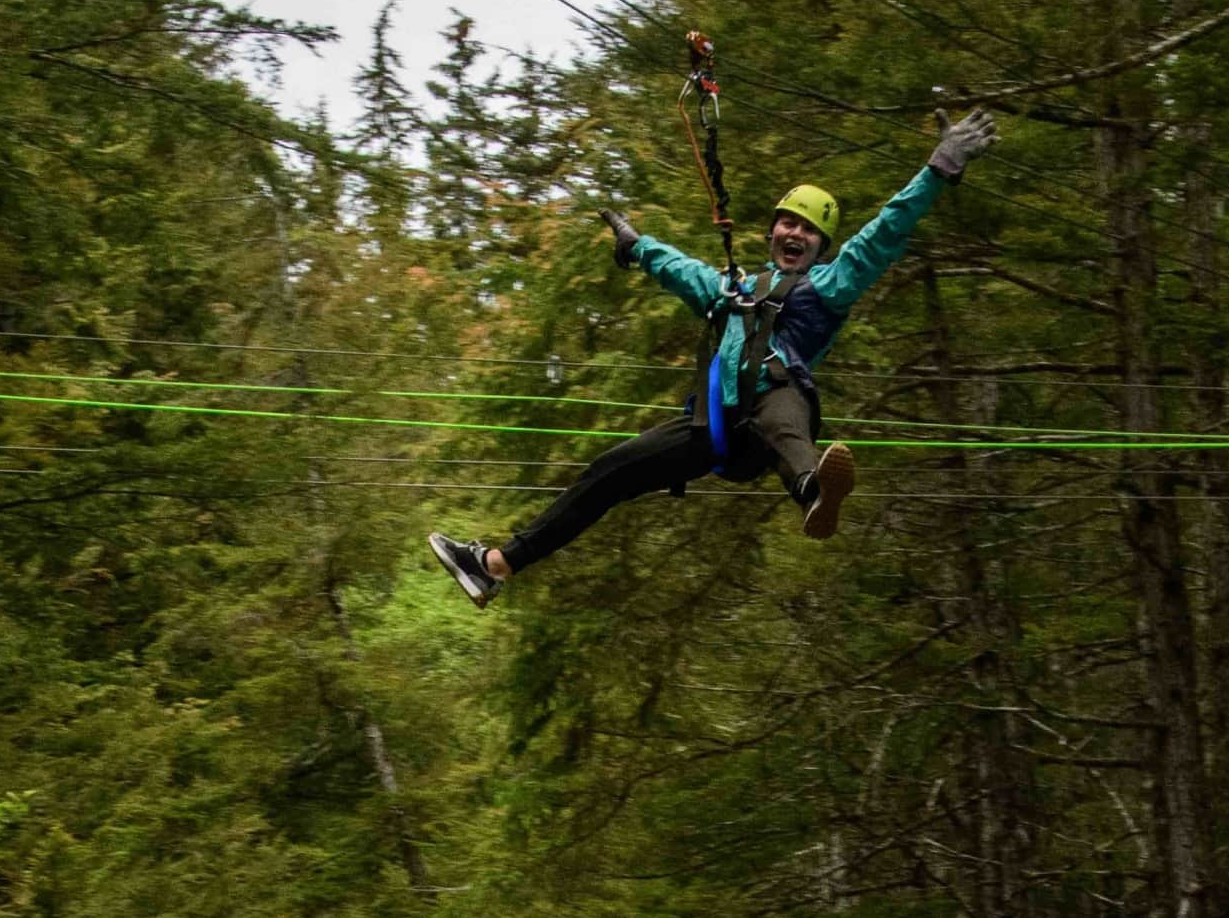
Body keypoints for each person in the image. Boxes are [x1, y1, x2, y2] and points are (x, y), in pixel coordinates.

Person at [425, 108, 1001, 607]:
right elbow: (685, 272)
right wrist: (637, 245)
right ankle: (494, 565)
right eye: (787, 222)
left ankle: (812, 489)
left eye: (808, 230)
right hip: (712, 428)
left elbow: (883, 234)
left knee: (780, 403)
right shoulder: (734, 288)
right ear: (773, 231)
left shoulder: (828, 286)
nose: (794, 233)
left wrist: (938, 169)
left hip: (772, 414)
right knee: (609, 472)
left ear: (821, 247)